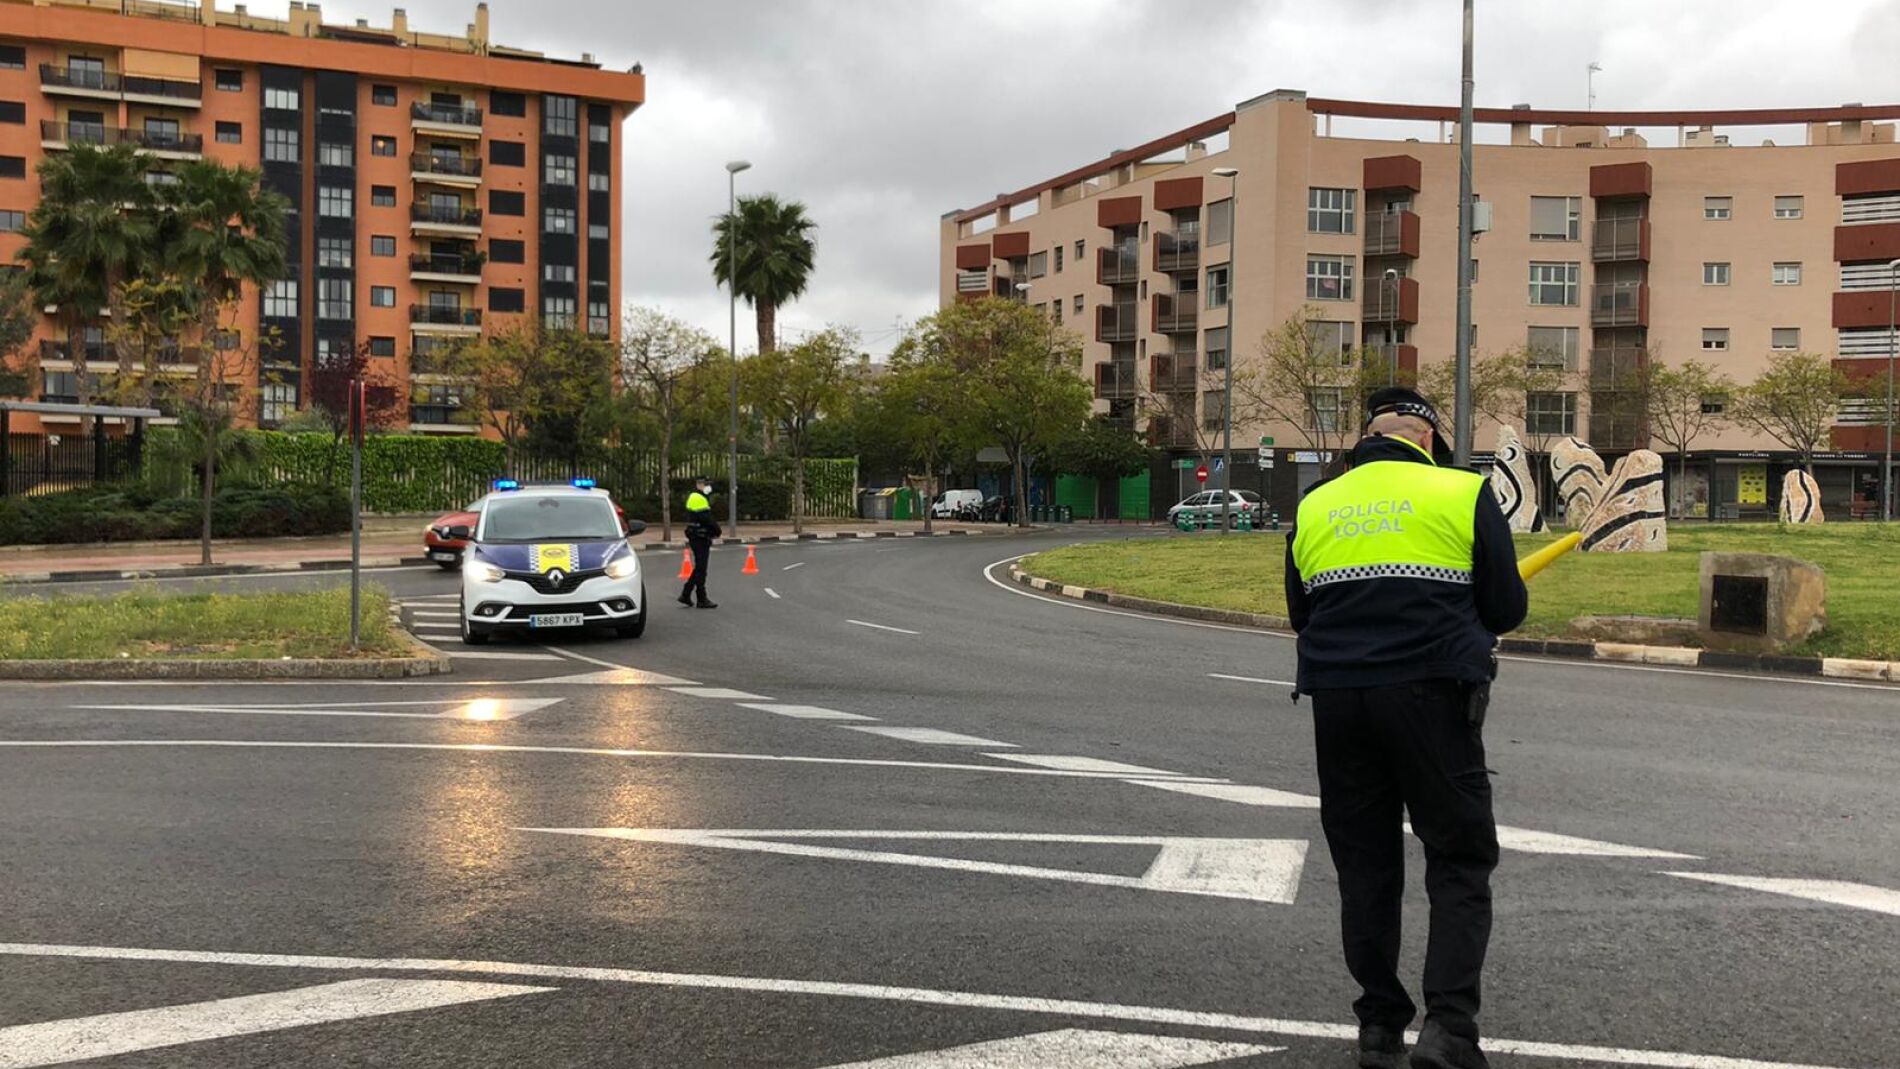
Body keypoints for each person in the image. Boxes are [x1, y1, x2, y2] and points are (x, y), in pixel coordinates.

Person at [1284, 387, 1528, 1069]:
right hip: (1434, 698)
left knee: (1365, 866)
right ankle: (1449, 1029)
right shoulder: (1459, 492)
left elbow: (1303, 611)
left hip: (1339, 702)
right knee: (1457, 858)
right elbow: (1506, 607)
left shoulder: (1316, 505)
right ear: (1425, 440)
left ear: (1369, 439)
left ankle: (1378, 1027)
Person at [678, 476, 721, 609]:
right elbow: (705, 518)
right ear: (699, 484)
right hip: (700, 537)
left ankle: (686, 594)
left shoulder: (696, 497)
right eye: (706, 484)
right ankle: (701, 598)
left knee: (699, 568)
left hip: (697, 536)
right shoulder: (697, 498)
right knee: (701, 568)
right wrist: (717, 530)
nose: (709, 487)